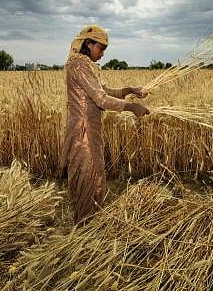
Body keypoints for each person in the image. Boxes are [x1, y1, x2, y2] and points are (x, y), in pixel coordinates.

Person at [59, 24, 149, 223]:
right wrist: (131, 107)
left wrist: (128, 89)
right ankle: (85, 228)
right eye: (101, 48)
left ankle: (89, 224)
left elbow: (104, 91)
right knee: (89, 178)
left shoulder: (83, 64)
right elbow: (101, 99)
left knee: (93, 175)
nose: (102, 54)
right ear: (89, 44)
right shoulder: (79, 65)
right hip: (84, 132)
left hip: (89, 129)